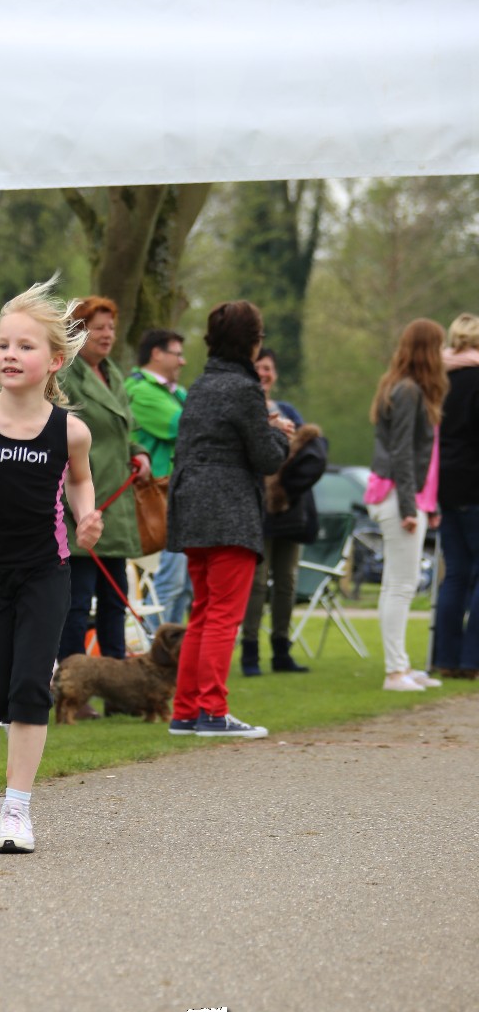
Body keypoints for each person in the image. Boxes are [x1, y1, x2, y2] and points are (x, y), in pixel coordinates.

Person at [0, 281, 103, 854]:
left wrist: (87, 515)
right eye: (3, 344)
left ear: (53, 360)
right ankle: (11, 709)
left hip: (44, 571)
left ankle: (16, 810)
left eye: (25, 346)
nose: (9, 354)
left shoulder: (71, 430)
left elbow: (80, 480)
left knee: (30, 688)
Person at [166, 301, 291, 739]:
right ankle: (214, 712)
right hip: (229, 510)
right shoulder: (244, 387)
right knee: (222, 616)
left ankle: (186, 711)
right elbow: (267, 457)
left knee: (202, 612)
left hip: (191, 508)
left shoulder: (201, 384)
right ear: (253, 342)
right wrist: (279, 433)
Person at [55, 296, 150, 667]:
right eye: (99, 328)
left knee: (115, 598)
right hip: (82, 501)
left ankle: (117, 680)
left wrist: (138, 451)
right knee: (78, 600)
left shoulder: (113, 373)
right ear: (79, 332)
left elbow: (124, 430)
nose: (108, 334)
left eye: (111, 327)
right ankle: (71, 680)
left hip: (116, 504)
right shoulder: (65, 375)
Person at [364, 318, 448, 692]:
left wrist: (428, 504)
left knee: (395, 584)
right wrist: (410, 507)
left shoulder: (401, 387)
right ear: (429, 350)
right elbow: (402, 452)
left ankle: (401, 665)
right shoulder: (409, 391)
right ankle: (395, 672)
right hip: (399, 496)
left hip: (404, 495)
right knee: (401, 585)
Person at [240, 347, 327, 676]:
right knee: (257, 582)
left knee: (287, 580)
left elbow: (308, 452)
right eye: (258, 367)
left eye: (268, 368)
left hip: (289, 511)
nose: (264, 373)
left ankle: (281, 649)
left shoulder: (289, 411)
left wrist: (288, 488)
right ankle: (250, 651)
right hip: (256, 509)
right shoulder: (244, 409)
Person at [124, 328, 193, 628]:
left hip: (177, 495)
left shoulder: (174, 392)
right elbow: (187, 425)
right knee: (170, 583)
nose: (183, 361)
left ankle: (172, 650)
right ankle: (154, 648)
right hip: (160, 498)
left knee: (184, 586)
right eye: (177, 354)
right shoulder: (141, 391)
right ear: (156, 354)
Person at [433, 312, 479, 680]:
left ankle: (445, 658)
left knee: (455, 574)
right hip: (475, 484)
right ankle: (472, 659)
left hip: (445, 484)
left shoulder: (439, 379)